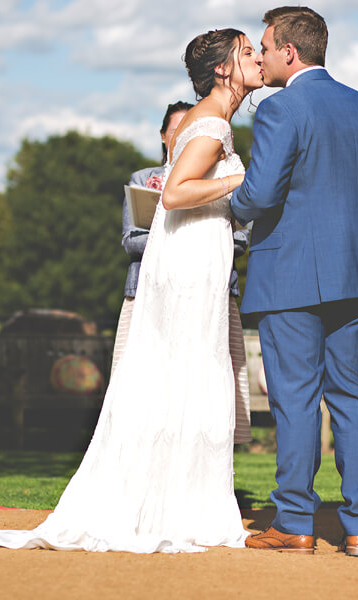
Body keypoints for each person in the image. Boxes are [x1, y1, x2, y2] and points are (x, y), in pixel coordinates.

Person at [0, 27, 264, 553]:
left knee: (175, 374)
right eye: (246, 52)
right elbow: (174, 193)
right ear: (222, 70)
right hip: (190, 258)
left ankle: (168, 499)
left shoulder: (207, 120)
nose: (257, 58)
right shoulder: (213, 122)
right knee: (190, 369)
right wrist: (243, 179)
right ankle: (179, 507)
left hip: (188, 254)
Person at [230, 6, 358, 558]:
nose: (262, 58)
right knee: (352, 397)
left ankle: (295, 523)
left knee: (295, 400)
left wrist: (223, 202)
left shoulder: (280, 108)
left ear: (289, 52)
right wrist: (353, 251)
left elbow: (260, 194)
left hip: (289, 274)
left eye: (266, 48)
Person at [113, 101, 252, 444]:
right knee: (143, 385)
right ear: (164, 137)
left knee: (206, 384)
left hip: (211, 293)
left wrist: (179, 239)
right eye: (177, 132)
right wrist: (191, 241)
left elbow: (239, 240)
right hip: (148, 293)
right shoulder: (144, 180)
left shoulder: (224, 179)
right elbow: (132, 241)